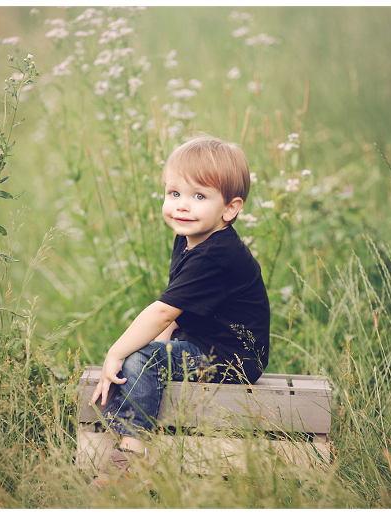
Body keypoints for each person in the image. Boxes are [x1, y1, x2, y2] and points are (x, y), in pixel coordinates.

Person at [88, 135, 271, 487]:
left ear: (230, 209)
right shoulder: (191, 239)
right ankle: (127, 431)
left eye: (198, 196)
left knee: (137, 359)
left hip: (232, 358)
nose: (182, 206)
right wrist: (144, 349)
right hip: (202, 342)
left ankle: (130, 457)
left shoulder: (217, 255)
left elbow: (162, 312)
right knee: (140, 357)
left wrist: (119, 352)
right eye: (174, 194)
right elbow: (179, 313)